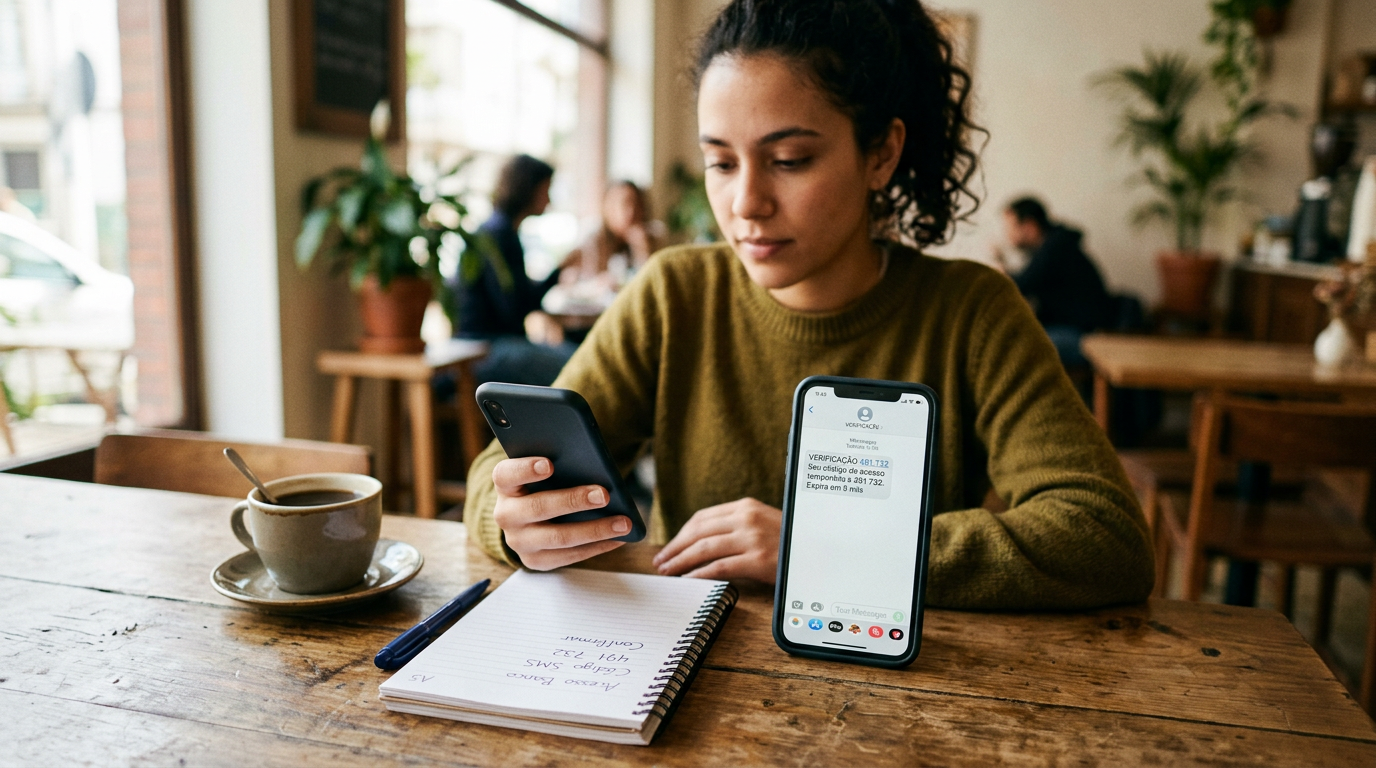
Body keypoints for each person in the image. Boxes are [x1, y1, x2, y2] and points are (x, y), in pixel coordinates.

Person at [464, 0, 1153, 611]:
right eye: (721, 163)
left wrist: (822, 546)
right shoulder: (675, 295)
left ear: (881, 154)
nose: (746, 205)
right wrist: (513, 517)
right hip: (676, 681)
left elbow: (1102, 535)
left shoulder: (971, 314)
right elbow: (492, 480)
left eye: (789, 159)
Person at [453, 154, 574, 386]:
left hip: (494, 343)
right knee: (577, 364)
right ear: (529, 189)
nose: (549, 200)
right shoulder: (498, 236)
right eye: (546, 190)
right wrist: (558, 272)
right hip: (485, 349)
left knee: (575, 356)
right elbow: (516, 309)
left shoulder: (500, 231)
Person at [1001, 197, 1113, 367]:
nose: (1007, 235)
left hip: (1082, 336)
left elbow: (1019, 285)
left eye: (1010, 228)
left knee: (1013, 346)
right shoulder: (1055, 244)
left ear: (1030, 226)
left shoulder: (1055, 248)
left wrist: (998, 269)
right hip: (1073, 329)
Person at [560, 181, 663, 287]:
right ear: (608, 207)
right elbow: (579, 278)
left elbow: (654, 283)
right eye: (624, 204)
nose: (631, 212)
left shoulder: (653, 236)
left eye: (637, 204)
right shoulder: (594, 238)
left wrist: (643, 250)